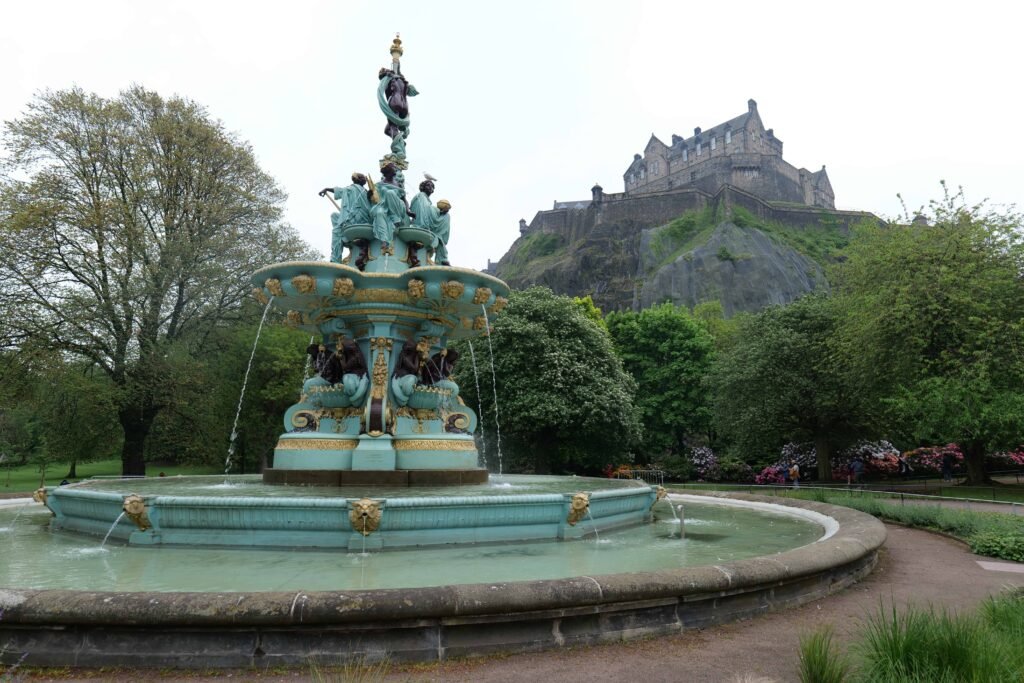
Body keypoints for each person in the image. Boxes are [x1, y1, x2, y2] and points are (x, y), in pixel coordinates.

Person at [319, 173, 372, 263]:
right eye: (363, 178)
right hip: (358, 218)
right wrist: (327, 189)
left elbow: (339, 191)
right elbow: (339, 191)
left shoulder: (356, 190)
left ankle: (335, 258)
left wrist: (327, 189)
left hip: (357, 218)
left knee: (336, 231)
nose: (365, 180)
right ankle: (341, 238)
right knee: (334, 216)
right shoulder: (355, 189)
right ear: (359, 180)